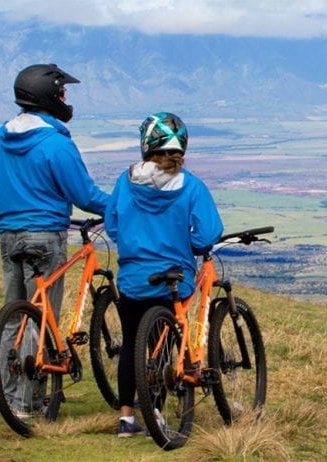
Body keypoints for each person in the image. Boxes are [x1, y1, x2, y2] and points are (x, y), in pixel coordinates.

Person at [0, 63, 110, 414]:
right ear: (49, 96)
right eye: (62, 92)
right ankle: (29, 403)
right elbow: (84, 194)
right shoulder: (54, 144)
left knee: (15, 317)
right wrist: (119, 206)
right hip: (45, 235)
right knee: (42, 317)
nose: (65, 98)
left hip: (9, 235)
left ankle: (11, 399)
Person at [105, 112, 223, 437]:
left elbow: (112, 225)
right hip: (175, 280)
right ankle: (157, 412)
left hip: (132, 279)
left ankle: (127, 418)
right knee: (165, 346)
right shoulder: (192, 186)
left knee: (131, 344)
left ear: (145, 145)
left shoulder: (124, 180)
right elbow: (207, 235)